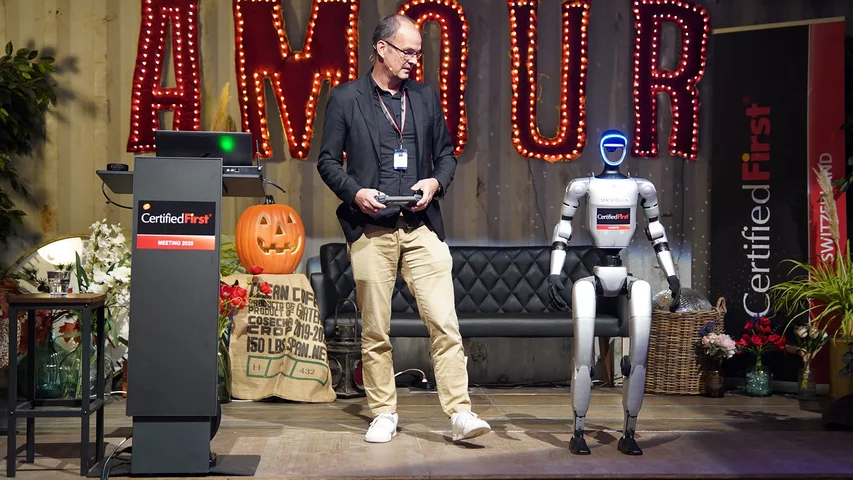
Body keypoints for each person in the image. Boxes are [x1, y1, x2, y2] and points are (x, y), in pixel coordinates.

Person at [317, 13, 491, 444]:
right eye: (407, 51)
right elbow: (327, 161)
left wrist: (435, 182)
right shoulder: (346, 98)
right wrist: (355, 192)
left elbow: (446, 155)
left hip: (420, 226)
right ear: (381, 48)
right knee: (376, 330)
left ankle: (460, 413)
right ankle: (383, 413)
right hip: (371, 229)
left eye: (418, 52)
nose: (414, 59)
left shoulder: (425, 97)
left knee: (444, 322)